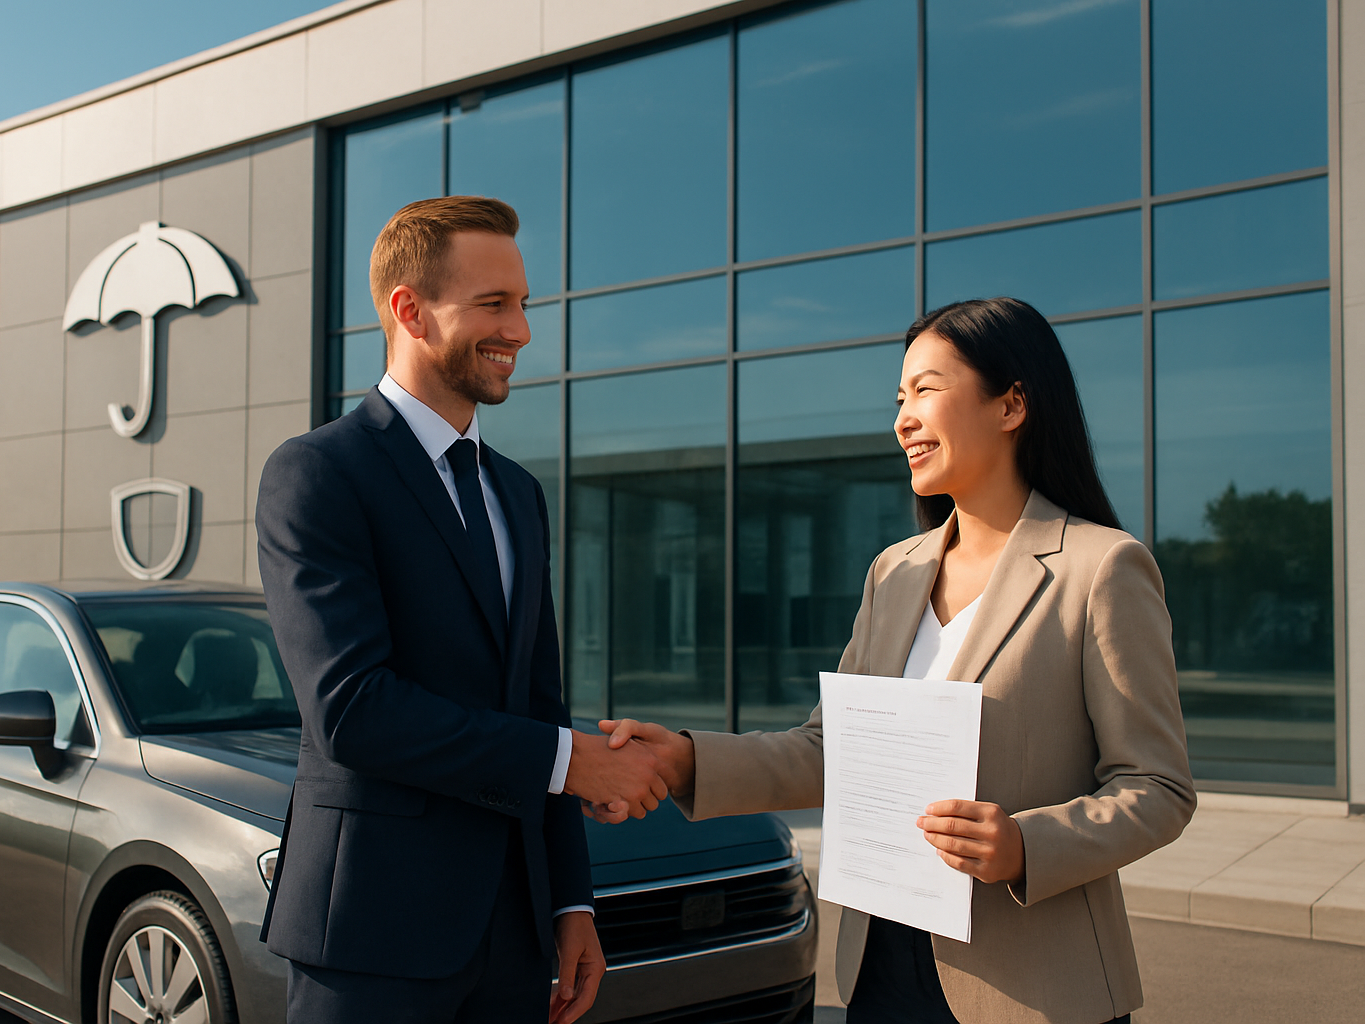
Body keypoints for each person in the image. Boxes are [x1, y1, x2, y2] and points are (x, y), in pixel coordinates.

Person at [598, 297, 1196, 1024]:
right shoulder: (896, 571)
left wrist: (1024, 845)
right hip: (883, 969)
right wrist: (688, 762)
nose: (902, 419)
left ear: (1012, 405)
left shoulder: (1102, 568)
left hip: (1036, 990)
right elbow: (832, 752)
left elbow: (1157, 786)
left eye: (927, 391)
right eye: (900, 398)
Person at [255, 196, 669, 1024]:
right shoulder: (317, 473)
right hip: (372, 933)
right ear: (410, 309)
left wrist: (569, 904)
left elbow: (538, 705)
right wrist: (570, 762)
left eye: (523, 305)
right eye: (494, 305)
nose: (520, 331)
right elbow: (352, 709)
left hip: (514, 935)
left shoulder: (519, 494)